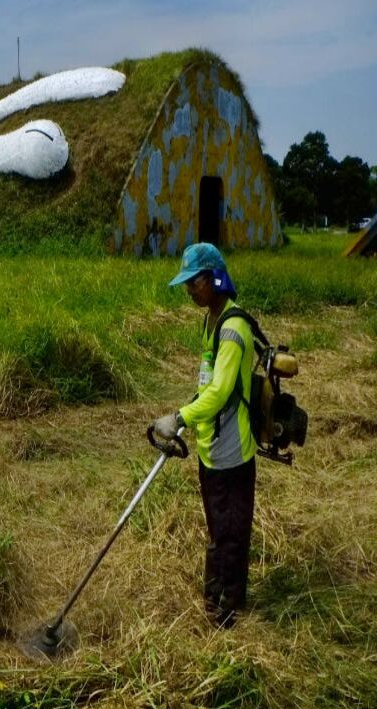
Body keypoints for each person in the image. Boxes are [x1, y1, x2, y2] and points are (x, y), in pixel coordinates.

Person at [152, 243, 257, 629]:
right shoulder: (210, 321)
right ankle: (213, 594)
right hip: (210, 449)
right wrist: (187, 420)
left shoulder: (233, 328)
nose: (189, 291)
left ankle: (228, 611)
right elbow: (205, 381)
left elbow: (221, 392)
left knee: (231, 533)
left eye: (194, 282)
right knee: (217, 528)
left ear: (214, 276)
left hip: (231, 453)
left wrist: (179, 415)